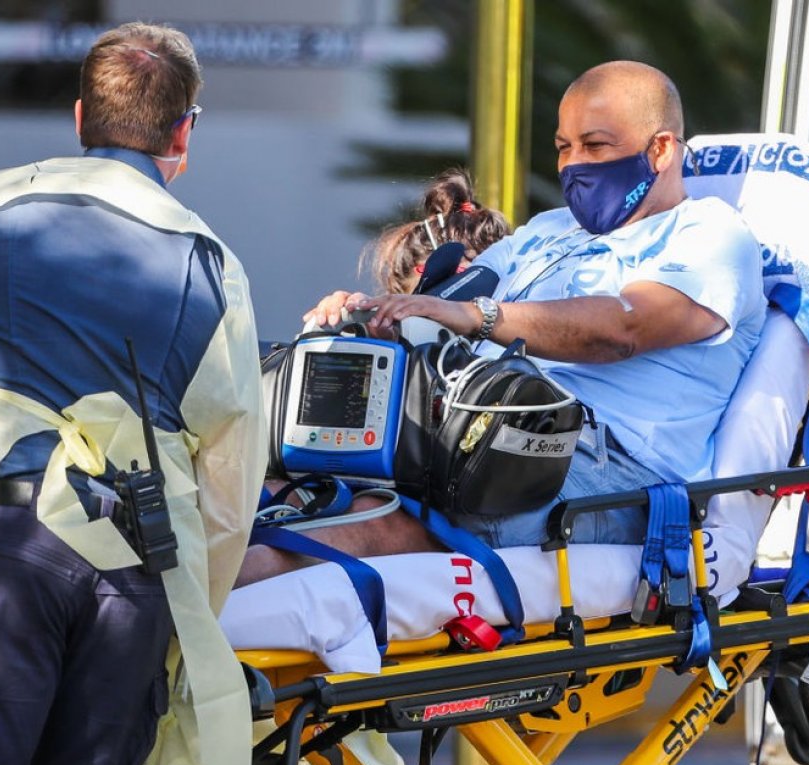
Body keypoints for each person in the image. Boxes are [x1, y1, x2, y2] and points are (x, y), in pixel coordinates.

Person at [0, 23, 265, 765]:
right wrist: (190, 613)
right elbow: (229, 479)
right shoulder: (212, 263)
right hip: (138, 572)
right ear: (183, 132)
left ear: (79, 117)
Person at [237, 60, 764, 585]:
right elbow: (453, 299)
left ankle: (208, 608)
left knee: (382, 520)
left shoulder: (711, 235)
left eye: (595, 145)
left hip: (609, 469)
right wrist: (375, 317)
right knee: (276, 464)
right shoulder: (549, 231)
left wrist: (477, 318)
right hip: (479, 422)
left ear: (661, 149)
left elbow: (623, 328)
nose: (574, 164)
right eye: (563, 147)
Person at [362, 167, 510, 295]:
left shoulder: (526, 316)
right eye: (437, 293)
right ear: (397, 298)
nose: (443, 309)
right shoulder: (372, 323)